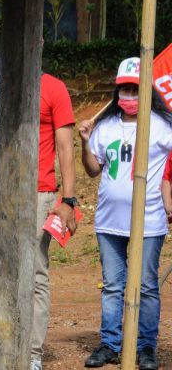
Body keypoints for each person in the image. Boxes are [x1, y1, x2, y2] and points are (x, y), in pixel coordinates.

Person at [79, 57, 172, 370]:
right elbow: (93, 170)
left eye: (135, 89)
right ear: (117, 91)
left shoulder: (162, 127)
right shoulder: (105, 128)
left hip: (150, 221)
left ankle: (146, 347)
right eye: (125, 89)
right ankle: (110, 343)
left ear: (147, 91)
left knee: (146, 286)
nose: (130, 96)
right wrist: (85, 143)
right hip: (109, 222)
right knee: (112, 286)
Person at [30, 72, 78, 370]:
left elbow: (65, 146)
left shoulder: (53, 87)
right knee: (1, 271)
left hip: (39, 194)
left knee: (36, 274)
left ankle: (32, 353)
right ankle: (6, 343)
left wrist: (68, 200)